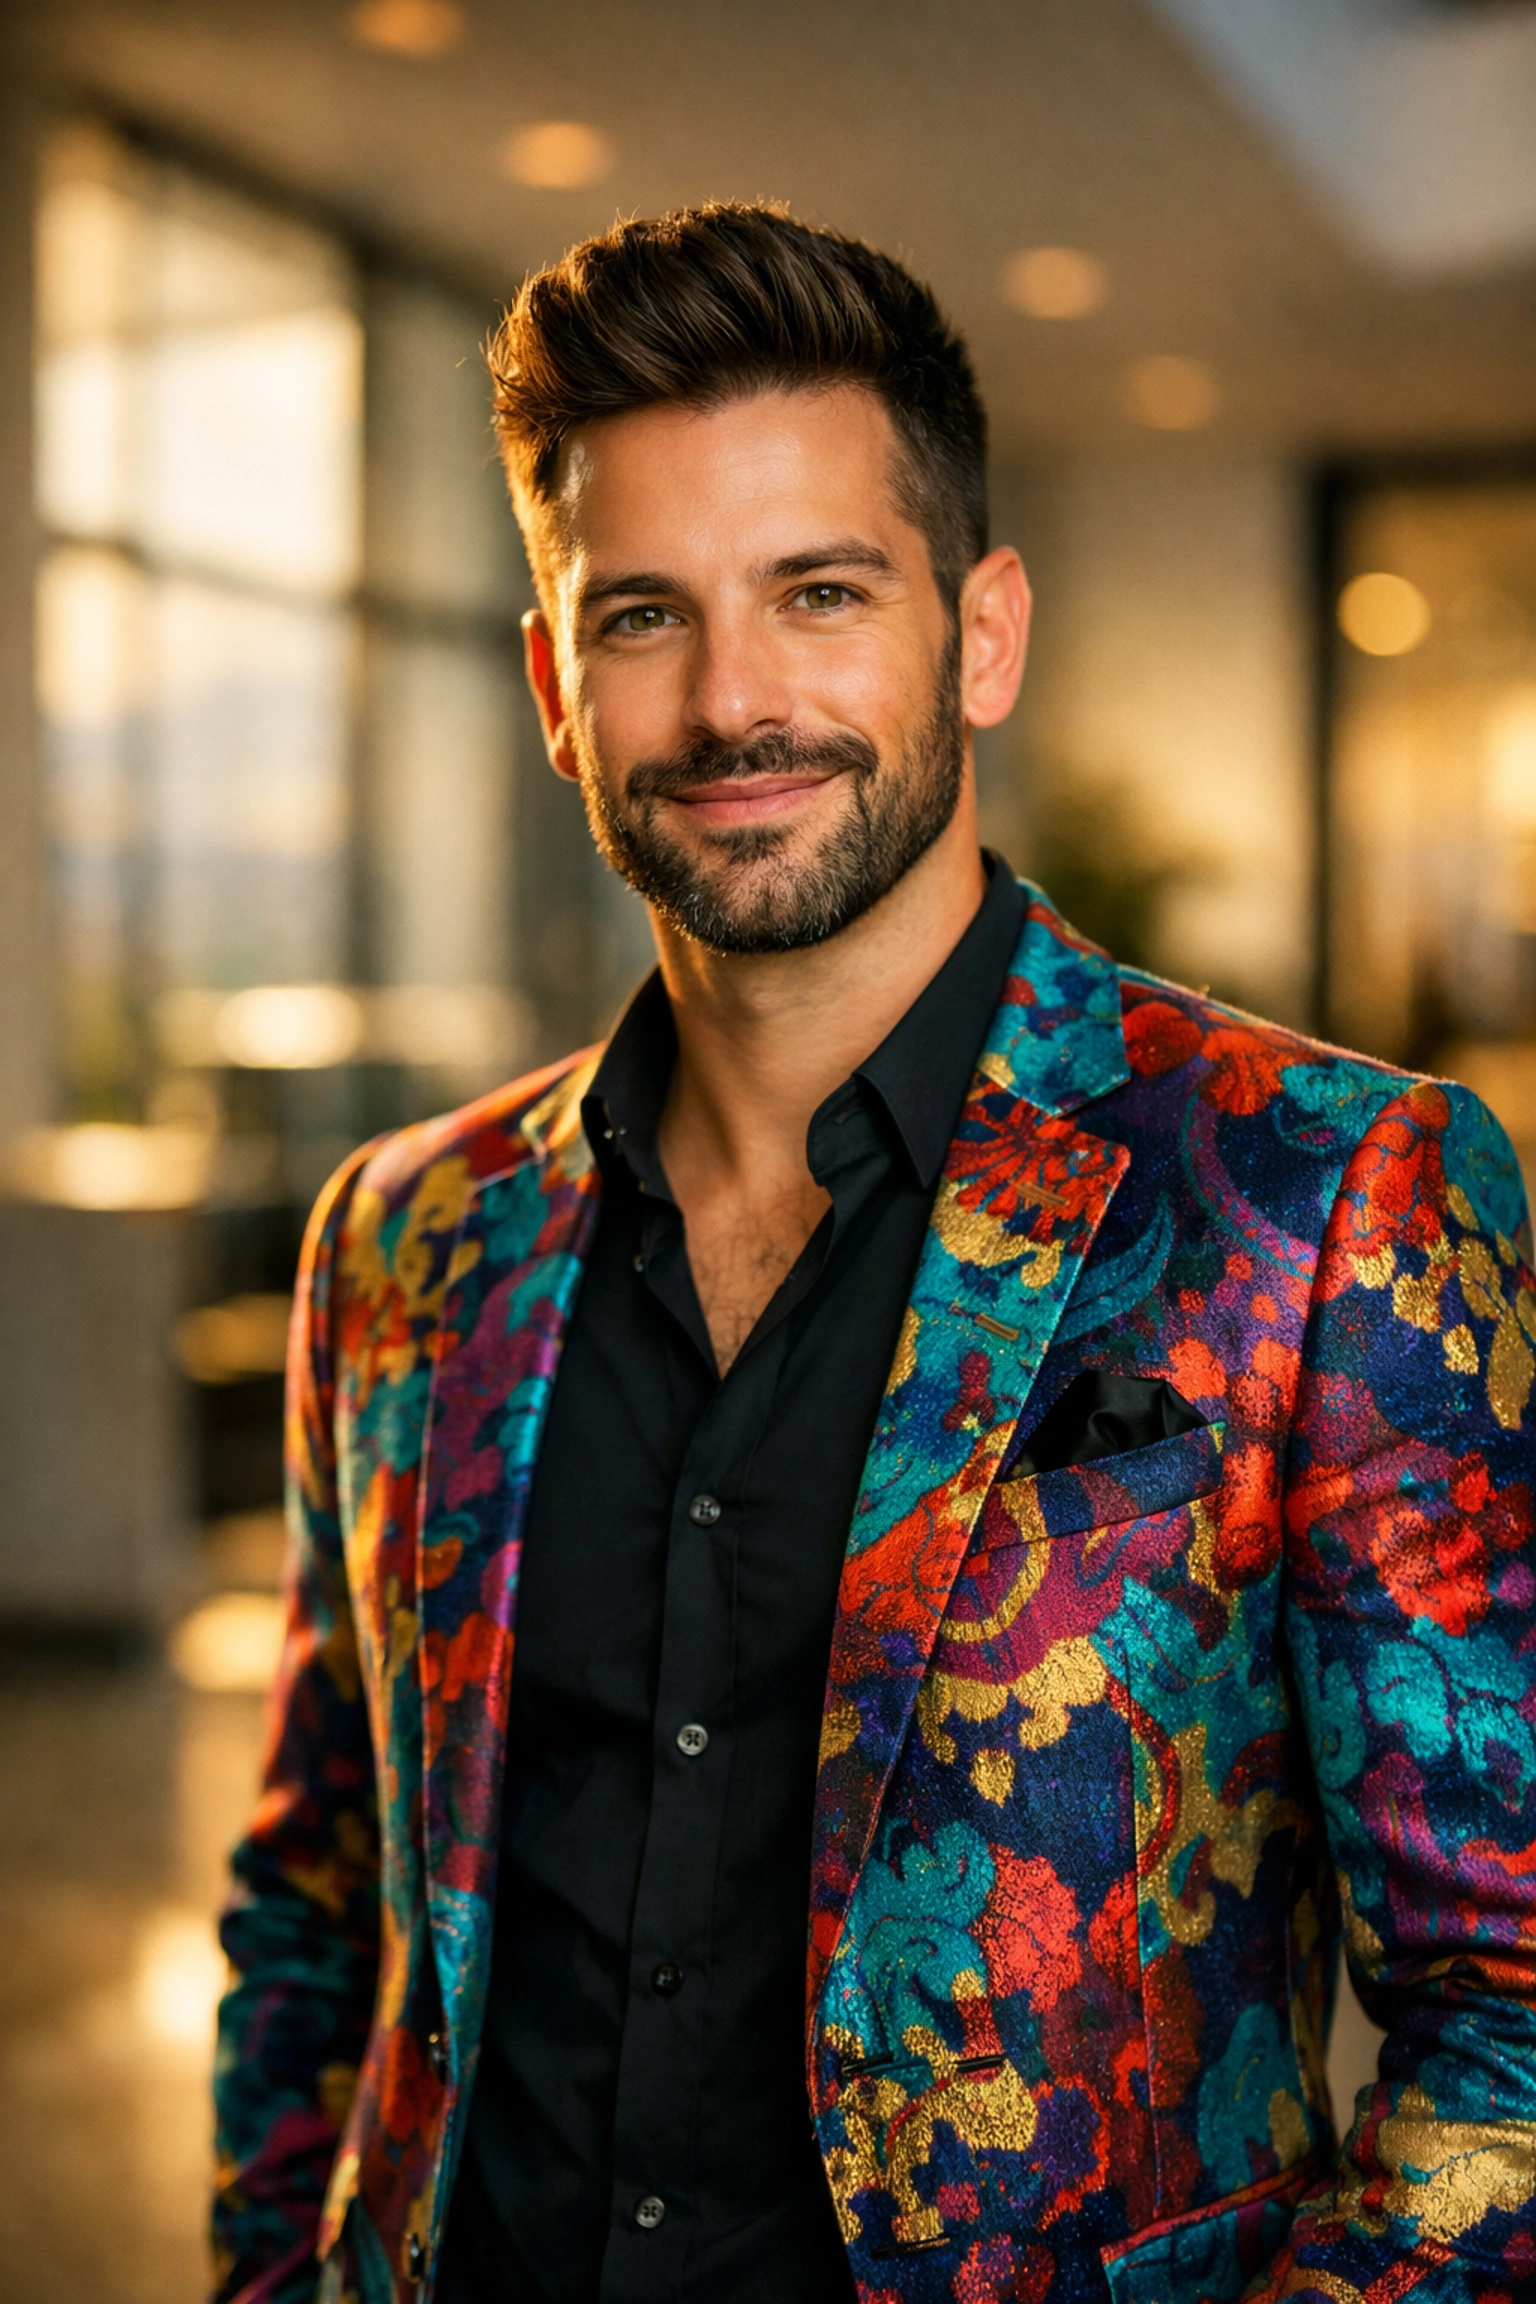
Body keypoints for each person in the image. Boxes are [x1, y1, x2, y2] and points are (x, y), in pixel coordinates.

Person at [212, 204, 1536, 2304]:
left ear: (978, 633)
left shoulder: (1318, 1192)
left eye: (819, 594)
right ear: (556, 688)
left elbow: (1512, 2015)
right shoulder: (405, 1244)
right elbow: (313, 1913)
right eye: (643, 616)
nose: (734, 699)